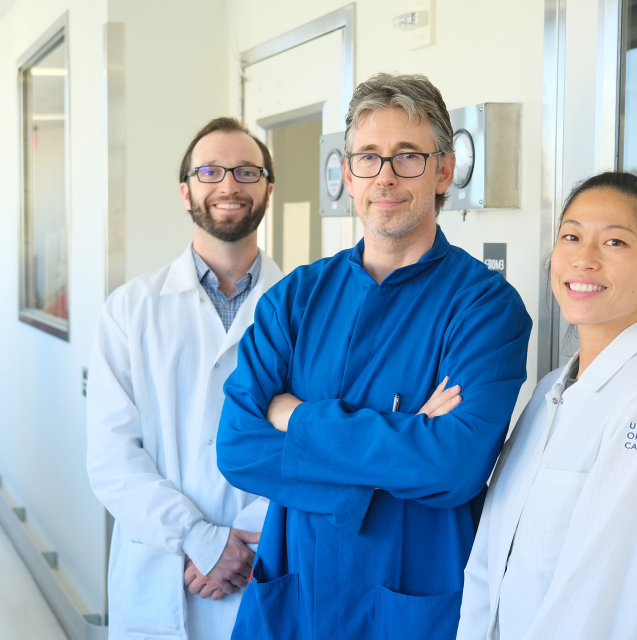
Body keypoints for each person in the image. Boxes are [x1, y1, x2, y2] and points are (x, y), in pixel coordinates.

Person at [216, 73, 532, 640]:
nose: (385, 176)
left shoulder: (485, 308)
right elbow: (238, 447)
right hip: (297, 595)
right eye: (368, 157)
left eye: (408, 156)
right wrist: (407, 436)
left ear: (444, 170)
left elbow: (454, 468)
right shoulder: (295, 298)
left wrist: (297, 418)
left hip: (412, 602)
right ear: (347, 174)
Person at [457, 172, 637, 640]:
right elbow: (489, 562)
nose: (584, 258)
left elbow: (601, 601)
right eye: (572, 236)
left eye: (615, 242)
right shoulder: (547, 394)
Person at [86, 117, 284, 639]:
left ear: (267, 188)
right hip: (160, 570)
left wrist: (242, 543)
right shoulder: (130, 310)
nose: (228, 185)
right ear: (185, 191)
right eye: (210, 170)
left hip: (263, 563)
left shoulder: (306, 309)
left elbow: (314, 446)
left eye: (246, 171)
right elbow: (111, 456)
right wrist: (199, 539)